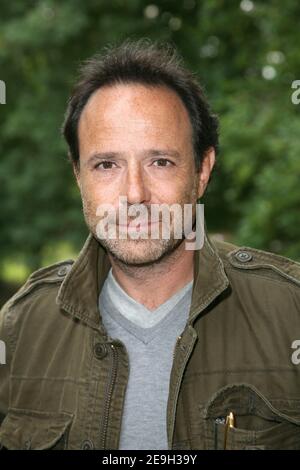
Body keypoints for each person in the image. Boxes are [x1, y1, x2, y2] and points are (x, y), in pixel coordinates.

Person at [0, 38, 300, 451]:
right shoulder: (20, 330)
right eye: (107, 165)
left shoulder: (291, 313)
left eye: (160, 162)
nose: (134, 194)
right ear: (78, 176)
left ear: (201, 171)